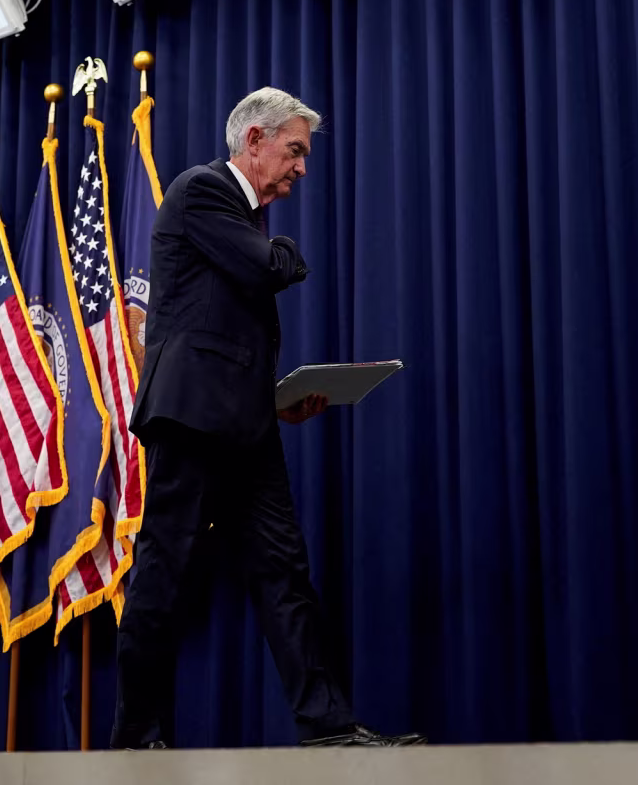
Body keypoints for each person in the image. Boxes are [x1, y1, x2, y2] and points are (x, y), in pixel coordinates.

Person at [111, 87, 424, 749]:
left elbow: (221, 330)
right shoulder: (202, 190)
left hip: (246, 426)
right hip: (191, 422)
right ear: (254, 139)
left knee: (285, 572)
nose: (302, 169)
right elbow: (268, 271)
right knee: (163, 576)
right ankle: (135, 737)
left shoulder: (235, 215)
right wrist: (286, 251)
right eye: (295, 151)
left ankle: (329, 730)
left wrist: (280, 402)